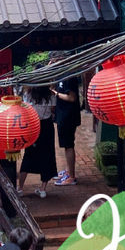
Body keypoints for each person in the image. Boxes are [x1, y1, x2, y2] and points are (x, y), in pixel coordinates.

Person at [17, 86, 56, 198]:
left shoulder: (28, 94)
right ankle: (43, 189)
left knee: (28, 155)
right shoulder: (51, 95)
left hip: (33, 126)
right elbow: (53, 109)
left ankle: (20, 188)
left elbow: (25, 109)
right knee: (47, 155)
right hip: (47, 127)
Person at [50, 56, 81, 186]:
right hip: (63, 115)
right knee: (66, 144)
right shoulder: (61, 74)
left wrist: (56, 94)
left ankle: (72, 177)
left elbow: (72, 98)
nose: (53, 62)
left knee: (69, 145)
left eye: (55, 60)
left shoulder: (69, 75)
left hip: (68, 116)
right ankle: (68, 171)